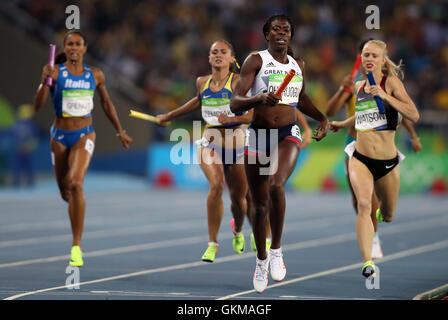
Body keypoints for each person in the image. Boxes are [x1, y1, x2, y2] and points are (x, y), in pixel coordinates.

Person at [230, 14, 328, 293]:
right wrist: (257, 99)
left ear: (291, 36)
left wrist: (321, 117)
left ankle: (276, 250)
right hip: (258, 135)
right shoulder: (256, 61)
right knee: (258, 206)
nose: (281, 32)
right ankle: (261, 260)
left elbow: (301, 98)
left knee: (276, 185)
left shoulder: (298, 65)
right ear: (267, 35)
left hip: (287, 133)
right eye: (276, 29)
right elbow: (235, 102)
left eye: (286, 29)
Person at [34, 30, 132, 267]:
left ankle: (76, 246)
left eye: (78, 44)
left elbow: (106, 103)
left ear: (85, 49)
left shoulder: (95, 75)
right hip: (59, 137)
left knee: (76, 183)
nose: (74, 47)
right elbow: (37, 106)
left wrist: (120, 131)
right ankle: (74, 216)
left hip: (84, 135)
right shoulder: (55, 73)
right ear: (65, 48)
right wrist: (43, 82)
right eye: (70, 44)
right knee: (65, 192)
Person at [156, 40, 253, 263]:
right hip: (209, 143)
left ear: (231, 58)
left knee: (239, 200)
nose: (218, 55)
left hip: (237, 147)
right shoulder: (201, 82)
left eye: (223, 52)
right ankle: (212, 243)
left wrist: (233, 118)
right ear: (209, 58)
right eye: (214, 52)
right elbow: (197, 102)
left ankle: (237, 228)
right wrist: (169, 116)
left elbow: (252, 114)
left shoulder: (239, 82)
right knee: (216, 185)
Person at [329, 39, 419, 278]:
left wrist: (386, 96)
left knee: (387, 214)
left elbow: (414, 114)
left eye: (374, 56)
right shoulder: (359, 86)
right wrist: (341, 123)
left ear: (382, 60)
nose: (369, 59)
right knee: (364, 205)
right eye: (365, 55)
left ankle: (382, 216)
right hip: (360, 157)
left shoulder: (391, 83)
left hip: (387, 162)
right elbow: (362, 118)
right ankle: (367, 261)